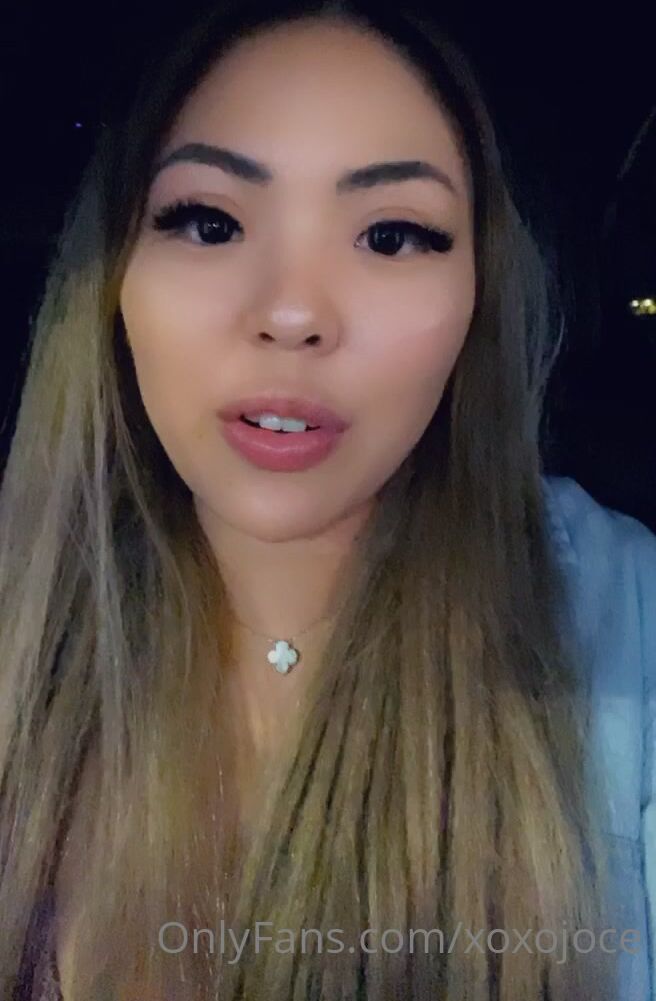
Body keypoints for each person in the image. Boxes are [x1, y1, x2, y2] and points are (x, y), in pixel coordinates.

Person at [0, 1, 654, 999]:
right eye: (209, 221)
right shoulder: (24, 627)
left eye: (391, 235)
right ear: (113, 277)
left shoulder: (628, 635)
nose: (294, 312)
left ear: (479, 295)